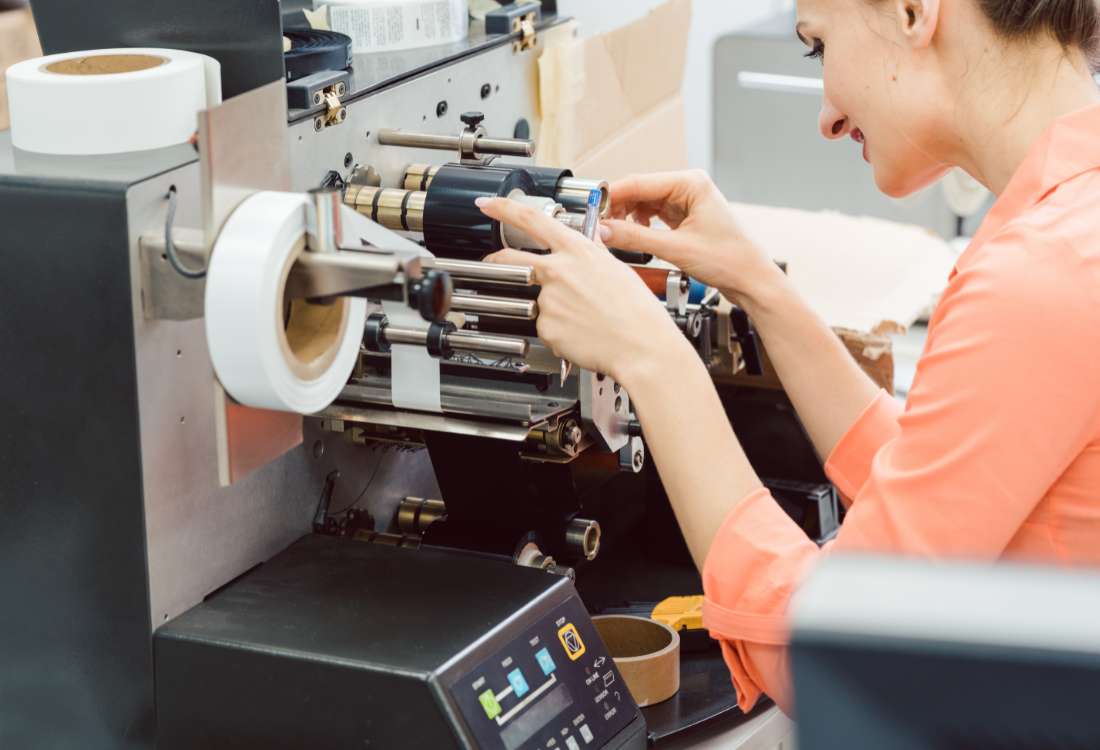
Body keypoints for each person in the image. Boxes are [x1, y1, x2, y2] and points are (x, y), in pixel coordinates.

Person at [474, 0, 1100, 716]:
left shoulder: (1039, 278)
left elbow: (838, 659)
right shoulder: (1073, 226)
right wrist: (758, 285)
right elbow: (948, 495)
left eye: (818, 45)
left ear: (913, 11)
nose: (828, 116)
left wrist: (650, 355)